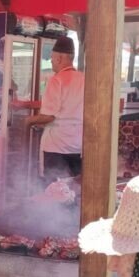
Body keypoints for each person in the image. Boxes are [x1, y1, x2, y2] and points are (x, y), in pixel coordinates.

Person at [27, 36, 84, 182]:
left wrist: (28, 121)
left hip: (56, 147)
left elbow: (49, 116)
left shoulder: (56, 80)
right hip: (77, 146)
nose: (51, 61)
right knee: (74, 188)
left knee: (55, 189)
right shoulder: (84, 79)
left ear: (59, 58)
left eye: (52, 58)